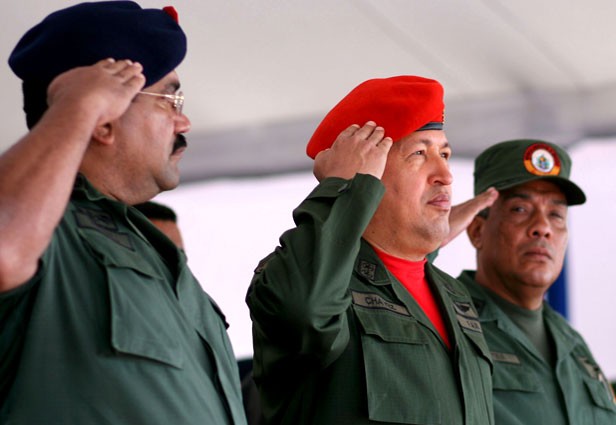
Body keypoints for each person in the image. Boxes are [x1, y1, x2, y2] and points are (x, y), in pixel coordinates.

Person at [0, 2, 246, 424]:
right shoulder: (52, 231)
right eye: (169, 101)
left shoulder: (154, 251)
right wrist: (75, 107)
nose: (184, 122)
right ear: (103, 120)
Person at [245, 75, 496, 424]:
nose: (445, 174)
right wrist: (341, 186)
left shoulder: (453, 294)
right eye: (419, 154)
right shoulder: (301, 279)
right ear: (367, 175)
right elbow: (306, 313)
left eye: (445, 154)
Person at [458, 139, 616, 424]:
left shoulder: (574, 345)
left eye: (556, 214)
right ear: (477, 231)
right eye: (520, 209)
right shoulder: (444, 323)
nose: (543, 227)